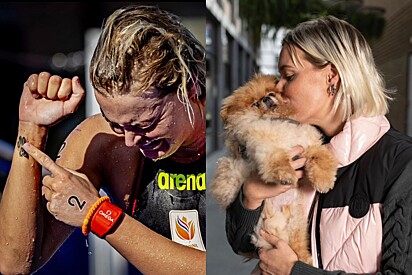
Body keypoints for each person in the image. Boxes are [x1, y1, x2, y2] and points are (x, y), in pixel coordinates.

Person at [0, 4, 206, 275]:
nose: (131, 140)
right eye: (117, 124)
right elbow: (15, 263)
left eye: (146, 124)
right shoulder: (106, 143)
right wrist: (30, 128)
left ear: (189, 87)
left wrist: (100, 216)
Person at [225, 15, 412, 274]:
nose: (278, 87)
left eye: (288, 76)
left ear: (331, 77)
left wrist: (295, 271)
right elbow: (243, 244)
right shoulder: (290, 148)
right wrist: (251, 195)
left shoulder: (403, 164)